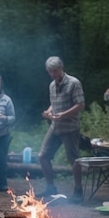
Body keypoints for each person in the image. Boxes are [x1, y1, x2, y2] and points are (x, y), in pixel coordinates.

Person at [38, 56, 86, 203]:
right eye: (50, 72)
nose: (53, 74)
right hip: (55, 126)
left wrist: (63, 115)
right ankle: (51, 187)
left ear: (61, 68)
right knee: (43, 155)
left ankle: (78, 191)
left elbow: (80, 104)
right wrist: (48, 112)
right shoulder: (52, 85)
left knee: (74, 159)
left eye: (55, 71)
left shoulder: (73, 83)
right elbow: (54, 103)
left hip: (70, 126)